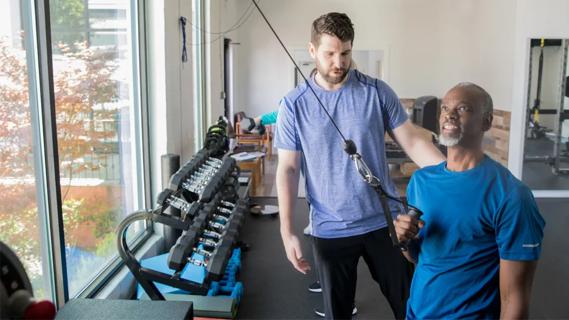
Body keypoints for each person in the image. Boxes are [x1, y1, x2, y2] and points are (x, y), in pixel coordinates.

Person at [274, 12, 445, 319]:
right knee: (338, 313)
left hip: (385, 222)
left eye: (345, 53)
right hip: (330, 227)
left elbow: (413, 143)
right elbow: (287, 169)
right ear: (312, 51)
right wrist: (287, 232)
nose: (338, 62)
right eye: (329, 54)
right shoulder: (293, 105)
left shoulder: (377, 92)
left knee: (410, 305)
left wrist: (456, 174)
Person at [395, 82, 545, 319]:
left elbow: (514, 297)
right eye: (445, 108)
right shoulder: (421, 181)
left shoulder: (512, 195)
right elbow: (420, 257)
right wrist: (404, 240)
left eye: (463, 108)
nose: (449, 115)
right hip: (417, 312)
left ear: (486, 121)